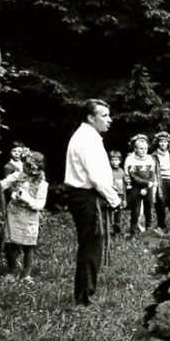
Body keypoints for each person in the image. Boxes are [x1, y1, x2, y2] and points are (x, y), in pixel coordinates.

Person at [64, 99, 122, 307]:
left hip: (86, 196)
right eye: (104, 115)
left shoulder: (89, 137)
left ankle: (85, 293)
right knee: (91, 246)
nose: (109, 120)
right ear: (91, 117)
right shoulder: (86, 140)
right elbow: (96, 177)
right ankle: (84, 298)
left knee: (91, 245)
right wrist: (115, 200)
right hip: (86, 197)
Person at [0, 150, 47, 281]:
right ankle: (13, 270)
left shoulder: (42, 184)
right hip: (14, 213)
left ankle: (26, 274)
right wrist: (12, 194)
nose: (25, 169)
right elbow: (2, 185)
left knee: (29, 245)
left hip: (30, 215)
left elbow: (40, 205)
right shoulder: (18, 175)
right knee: (11, 243)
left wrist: (27, 199)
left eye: (28, 167)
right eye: (24, 166)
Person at [124, 134, 157, 236]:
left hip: (149, 188)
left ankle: (149, 231)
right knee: (136, 210)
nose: (143, 151)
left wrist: (148, 187)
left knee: (149, 210)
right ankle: (133, 232)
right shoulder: (131, 160)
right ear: (135, 149)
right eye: (141, 149)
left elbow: (152, 175)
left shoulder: (150, 159)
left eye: (145, 148)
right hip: (136, 188)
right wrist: (147, 183)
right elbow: (133, 176)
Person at [109, 150, 126, 235]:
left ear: (120, 161)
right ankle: (111, 229)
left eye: (116, 160)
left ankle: (117, 229)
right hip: (112, 195)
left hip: (120, 195)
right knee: (111, 212)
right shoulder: (108, 171)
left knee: (118, 213)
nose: (114, 162)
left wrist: (124, 199)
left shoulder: (121, 171)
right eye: (112, 160)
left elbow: (124, 186)